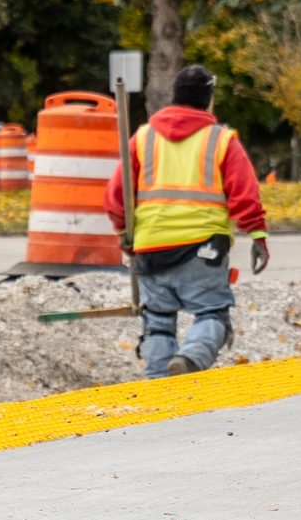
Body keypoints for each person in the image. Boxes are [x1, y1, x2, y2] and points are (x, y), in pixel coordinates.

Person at [103, 65, 269, 376]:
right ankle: (191, 358)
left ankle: (159, 385)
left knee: (158, 324)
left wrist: (125, 233)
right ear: (209, 100)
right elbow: (244, 194)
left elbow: (116, 195)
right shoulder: (220, 140)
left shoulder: (143, 138)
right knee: (213, 315)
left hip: (150, 248)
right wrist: (258, 235)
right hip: (202, 249)